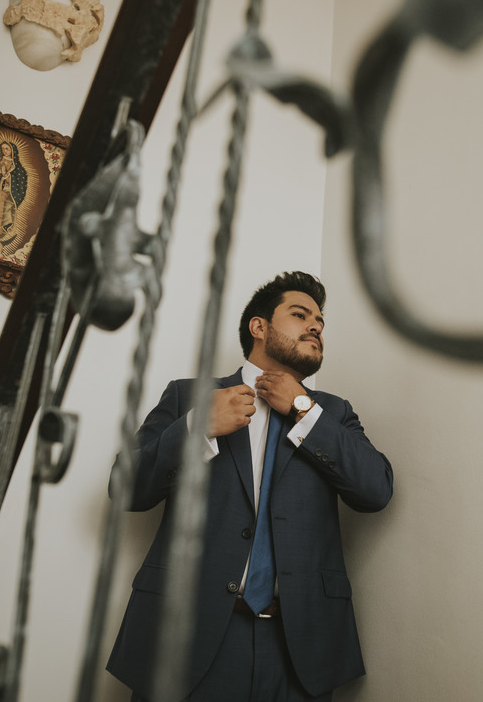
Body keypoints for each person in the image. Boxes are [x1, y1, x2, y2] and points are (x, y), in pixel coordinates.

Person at [106, 271, 393, 701]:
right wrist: (196, 428)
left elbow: (376, 491)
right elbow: (125, 490)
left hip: (299, 647)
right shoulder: (188, 397)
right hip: (186, 637)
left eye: (320, 321)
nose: (315, 325)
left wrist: (303, 409)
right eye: (300, 314)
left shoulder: (332, 412)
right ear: (259, 327)